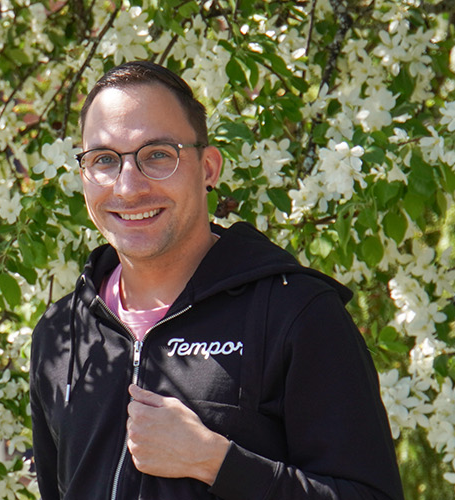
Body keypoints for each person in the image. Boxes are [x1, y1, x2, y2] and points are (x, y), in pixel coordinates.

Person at [29, 61, 403, 500]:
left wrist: (215, 462)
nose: (128, 188)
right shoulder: (60, 335)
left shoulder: (295, 314)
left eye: (157, 156)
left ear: (208, 168)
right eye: (104, 161)